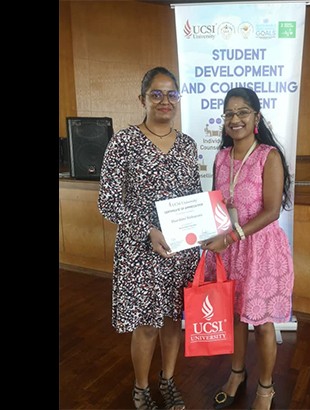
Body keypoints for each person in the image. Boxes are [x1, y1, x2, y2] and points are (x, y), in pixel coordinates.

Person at [98, 66, 201, 410]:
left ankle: (167, 380)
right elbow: (108, 201)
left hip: (179, 252)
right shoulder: (123, 142)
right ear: (142, 99)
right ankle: (141, 388)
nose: (164, 100)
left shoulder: (188, 146)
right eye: (156, 94)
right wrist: (148, 230)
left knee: (172, 320)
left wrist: (203, 233)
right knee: (145, 325)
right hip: (139, 252)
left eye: (171, 93)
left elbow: (195, 199)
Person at [200, 87, 294, 410]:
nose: (235, 119)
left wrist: (231, 235)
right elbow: (216, 204)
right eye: (229, 114)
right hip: (231, 249)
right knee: (235, 317)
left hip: (260, 250)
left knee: (263, 323)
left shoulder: (269, 156)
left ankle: (266, 388)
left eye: (242, 112)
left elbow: (271, 211)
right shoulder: (221, 157)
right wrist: (209, 228)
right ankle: (237, 373)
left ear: (256, 117)